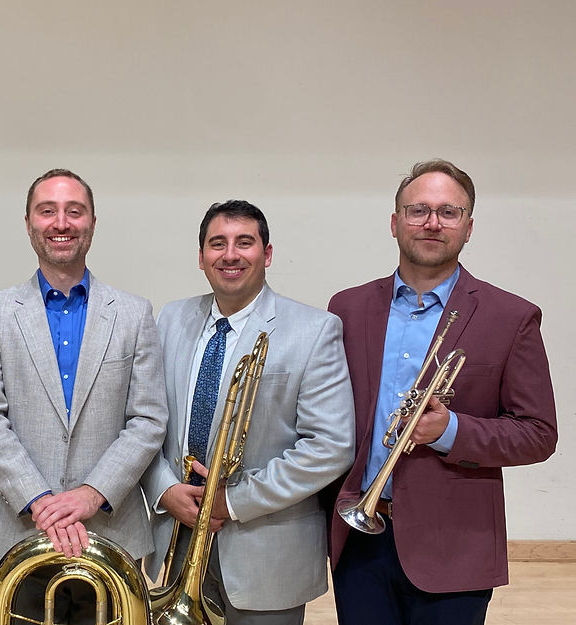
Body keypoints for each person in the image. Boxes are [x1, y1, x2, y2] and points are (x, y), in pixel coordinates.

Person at [328, 159, 558, 625]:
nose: (432, 222)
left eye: (449, 212)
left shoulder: (510, 317)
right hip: (360, 541)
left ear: (468, 228)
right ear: (395, 223)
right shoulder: (347, 307)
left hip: (457, 543)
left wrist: (449, 429)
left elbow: (538, 433)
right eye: (418, 210)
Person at [0, 168, 168, 624]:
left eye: (74, 211)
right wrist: (42, 501)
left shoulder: (134, 314)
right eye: (47, 211)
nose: (61, 222)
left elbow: (148, 420)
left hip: (112, 532)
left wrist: (91, 495)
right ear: (29, 223)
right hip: (22, 531)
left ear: (92, 222)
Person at [142, 200, 355, 625]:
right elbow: (148, 423)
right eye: (217, 243)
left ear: (267, 254)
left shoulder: (314, 330)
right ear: (201, 257)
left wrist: (231, 502)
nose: (231, 254)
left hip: (267, 549)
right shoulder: (171, 319)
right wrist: (164, 487)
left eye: (245, 242)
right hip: (177, 539)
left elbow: (331, 446)